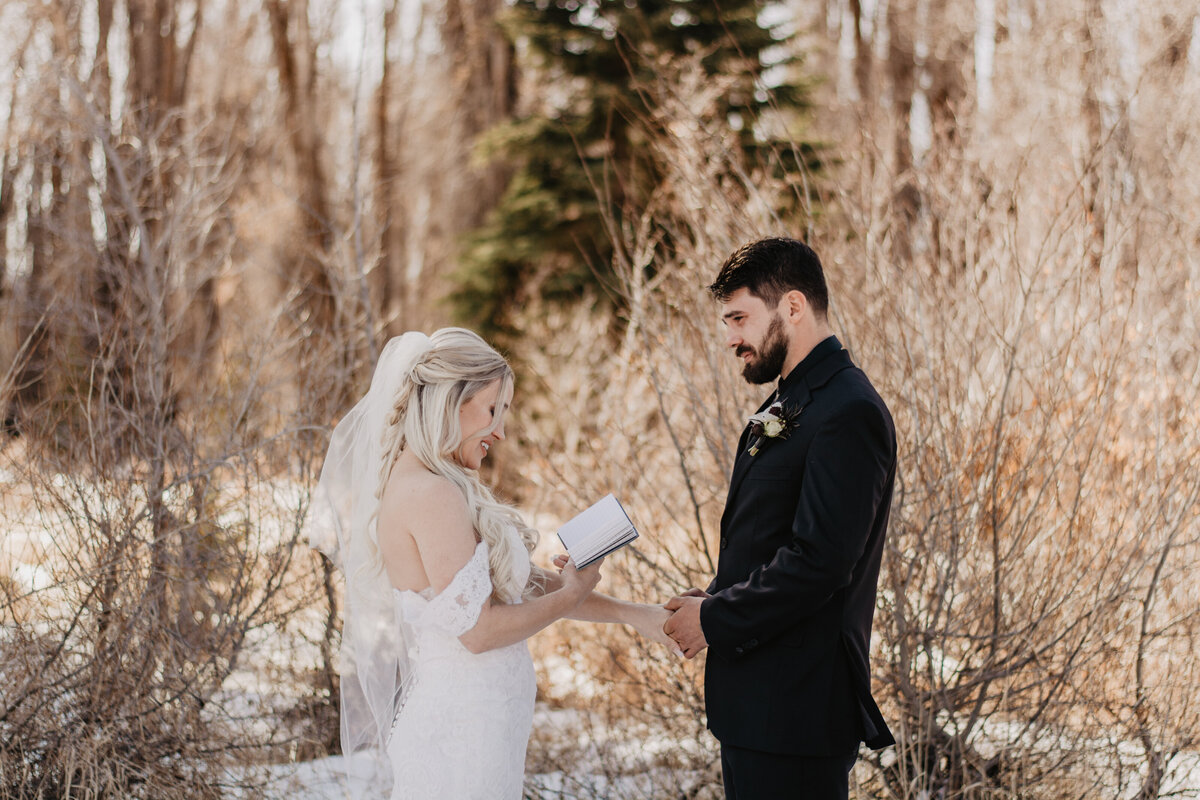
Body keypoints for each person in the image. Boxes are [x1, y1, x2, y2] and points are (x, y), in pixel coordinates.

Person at [308, 328, 673, 800]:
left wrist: (632, 613)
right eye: (492, 410)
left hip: (479, 727)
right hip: (462, 736)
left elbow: (502, 588)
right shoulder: (432, 493)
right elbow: (478, 632)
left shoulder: (431, 478)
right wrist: (569, 595)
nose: (499, 431)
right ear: (450, 403)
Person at [663, 238, 896, 799]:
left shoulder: (848, 412)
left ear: (792, 307)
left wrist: (716, 620)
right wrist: (714, 596)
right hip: (755, 711)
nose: (731, 339)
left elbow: (819, 563)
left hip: (800, 712)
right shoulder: (790, 403)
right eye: (726, 322)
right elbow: (771, 539)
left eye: (739, 318)